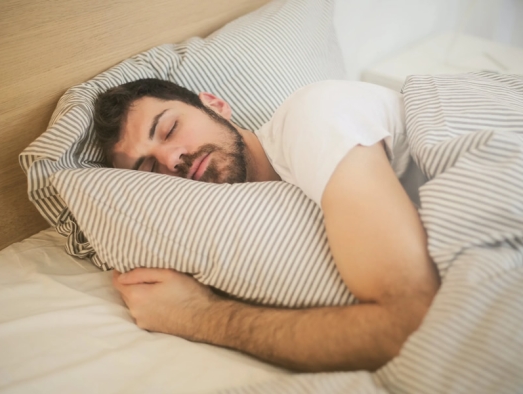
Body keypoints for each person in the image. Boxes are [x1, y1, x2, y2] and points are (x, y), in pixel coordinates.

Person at [94, 78, 440, 372]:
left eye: (170, 129)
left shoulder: (313, 119)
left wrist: (197, 316)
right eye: (150, 170)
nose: (171, 159)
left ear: (214, 105)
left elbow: (411, 324)